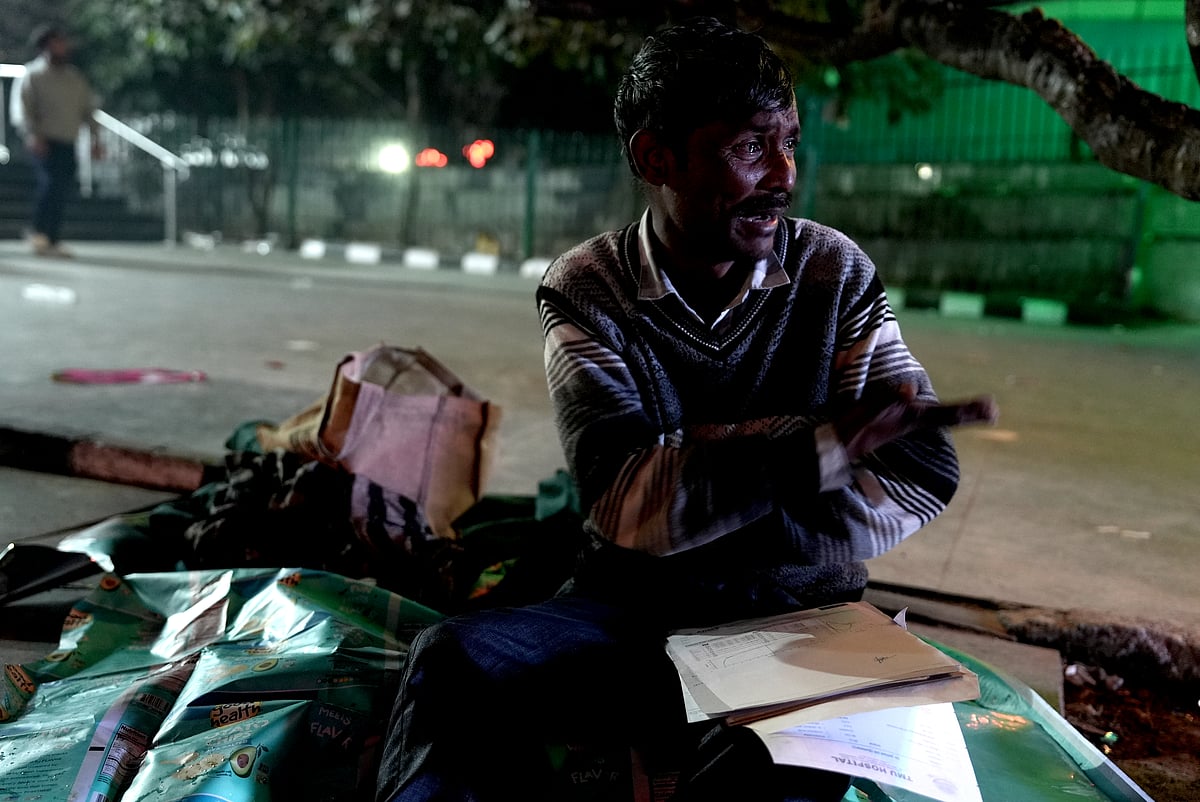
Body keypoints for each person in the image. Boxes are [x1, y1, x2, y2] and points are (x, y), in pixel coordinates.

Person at [375, 16, 997, 802]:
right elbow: (626, 504)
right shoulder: (587, 287)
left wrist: (703, 482)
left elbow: (917, 475)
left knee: (783, 772)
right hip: (631, 612)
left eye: (789, 143)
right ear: (655, 157)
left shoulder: (833, 272)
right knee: (453, 659)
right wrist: (813, 454)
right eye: (747, 148)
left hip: (797, 618)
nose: (783, 176)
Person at [13, 24, 101, 258]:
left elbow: (88, 110)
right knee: (49, 184)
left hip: (68, 141)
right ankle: (38, 232)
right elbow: (23, 110)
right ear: (45, 46)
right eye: (56, 43)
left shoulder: (74, 78)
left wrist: (95, 138)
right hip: (44, 141)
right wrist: (33, 135)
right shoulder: (33, 75)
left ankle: (52, 237)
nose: (62, 47)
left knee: (62, 188)